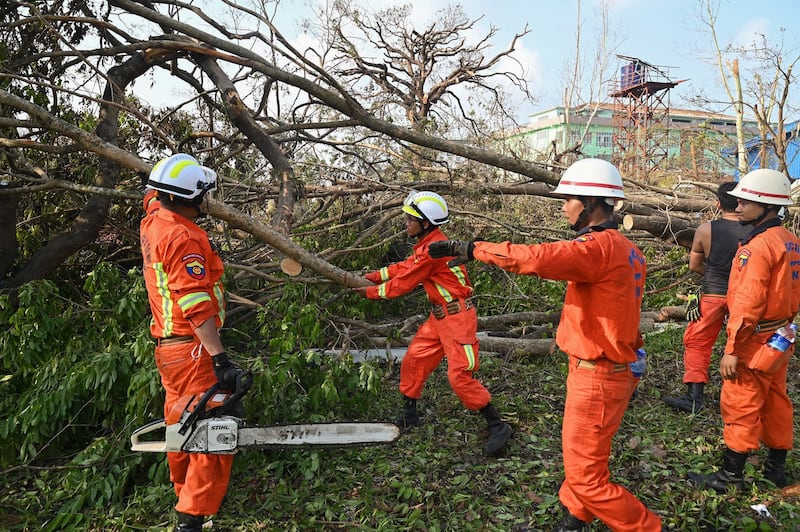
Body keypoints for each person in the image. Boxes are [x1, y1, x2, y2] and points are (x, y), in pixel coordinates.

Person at [430, 158, 662, 531]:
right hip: (607, 371)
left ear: (589, 203)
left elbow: (536, 258)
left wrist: (473, 248)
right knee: (587, 459)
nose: (563, 207)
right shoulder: (627, 250)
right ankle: (573, 522)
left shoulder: (595, 249)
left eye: (567, 200)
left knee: (587, 477)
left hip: (598, 378)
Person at [352, 191, 512, 457]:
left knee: (459, 376)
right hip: (438, 317)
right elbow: (401, 268)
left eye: (410, 219)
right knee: (414, 359)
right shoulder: (427, 245)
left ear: (425, 223)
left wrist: (368, 292)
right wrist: (366, 277)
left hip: (457, 318)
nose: (406, 223)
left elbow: (403, 283)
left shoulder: (434, 251)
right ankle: (409, 414)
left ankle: (497, 425)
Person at [140, 153, 246, 532]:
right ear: (189, 198)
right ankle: (191, 520)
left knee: (181, 424)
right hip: (193, 347)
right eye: (203, 193)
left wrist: (157, 179)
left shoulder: (154, 219)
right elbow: (195, 303)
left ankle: (184, 493)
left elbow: (151, 194)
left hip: (170, 351)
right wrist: (220, 359)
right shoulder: (183, 237)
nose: (206, 200)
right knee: (210, 429)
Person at [688, 169, 800, 492]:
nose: (737, 206)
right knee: (776, 399)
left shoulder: (758, 248)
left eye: (746, 201)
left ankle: (729, 477)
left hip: (754, 340)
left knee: (740, 401)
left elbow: (748, 303)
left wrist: (732, 349)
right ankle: (775, 470)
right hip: (782, 336)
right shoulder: (791, 242)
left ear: (766, 207)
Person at [663, 182, 751, 413]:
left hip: (712, 294)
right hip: (744, 296)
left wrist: (711, 274)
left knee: (697, 342)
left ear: (718, 204)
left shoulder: (706, 229)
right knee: (744, 342)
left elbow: (695, 265)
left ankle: (694, 397)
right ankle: (744, 397)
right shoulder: (755, 231)